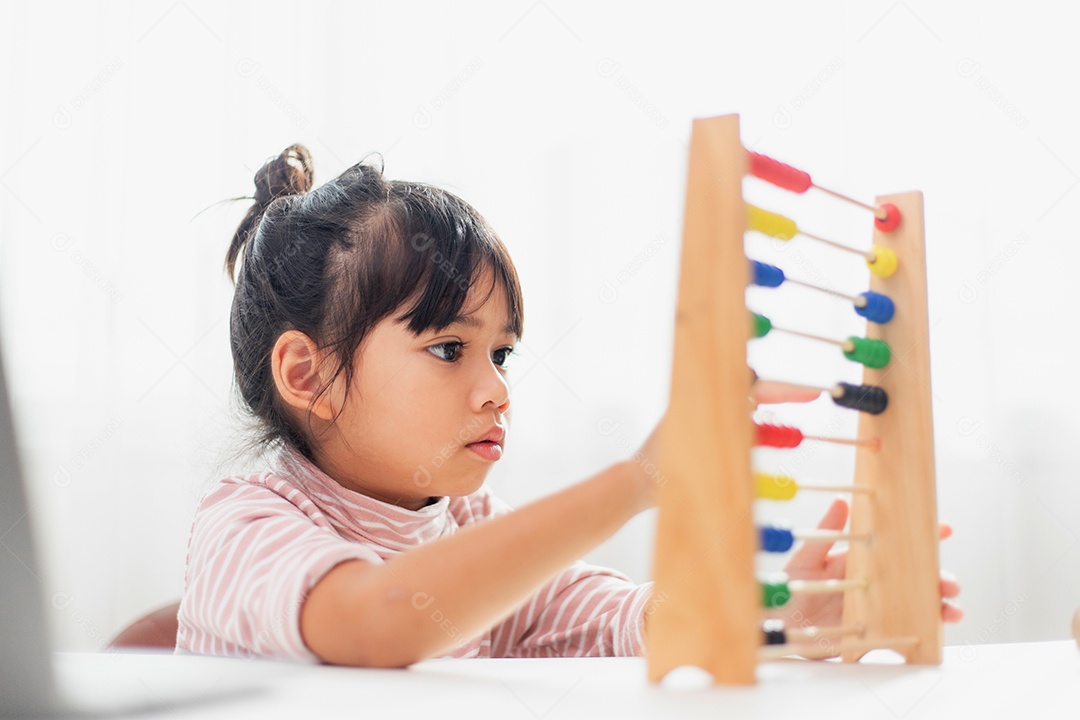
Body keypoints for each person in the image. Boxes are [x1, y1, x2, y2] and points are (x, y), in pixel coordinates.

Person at [176, 145, 961, 667]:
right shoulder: (242, 526)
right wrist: (638, 480)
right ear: (308, 375)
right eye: (448, 349)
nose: (496, 390)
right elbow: (377, 623)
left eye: (501, 354)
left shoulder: (469, 528)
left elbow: (628, 622)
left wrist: (782, 619)